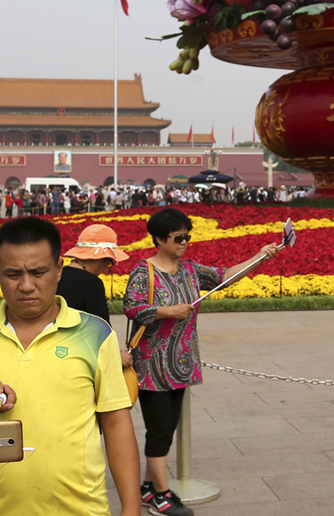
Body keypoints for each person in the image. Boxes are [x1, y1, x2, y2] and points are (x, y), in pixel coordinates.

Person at [0, 217, 141, 516]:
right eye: (13, 274)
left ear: (59, 269)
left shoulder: (95, 334)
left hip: (82, 509)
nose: (26, 286)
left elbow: (116, 424)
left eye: (38, 272)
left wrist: (131, 508)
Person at [125, 208, 280, 516]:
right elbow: (133, 307)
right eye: (178, 238)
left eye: (187, 237)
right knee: (159, 430)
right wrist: (169, 312)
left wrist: (260, 256)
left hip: (180, 362)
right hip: (151, 366)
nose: (184, 243)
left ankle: (148, 486)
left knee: (168, 429)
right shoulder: (145, 271)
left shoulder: (190, 269)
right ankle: (161, 495)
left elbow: (226, 276)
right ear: (158, 239)